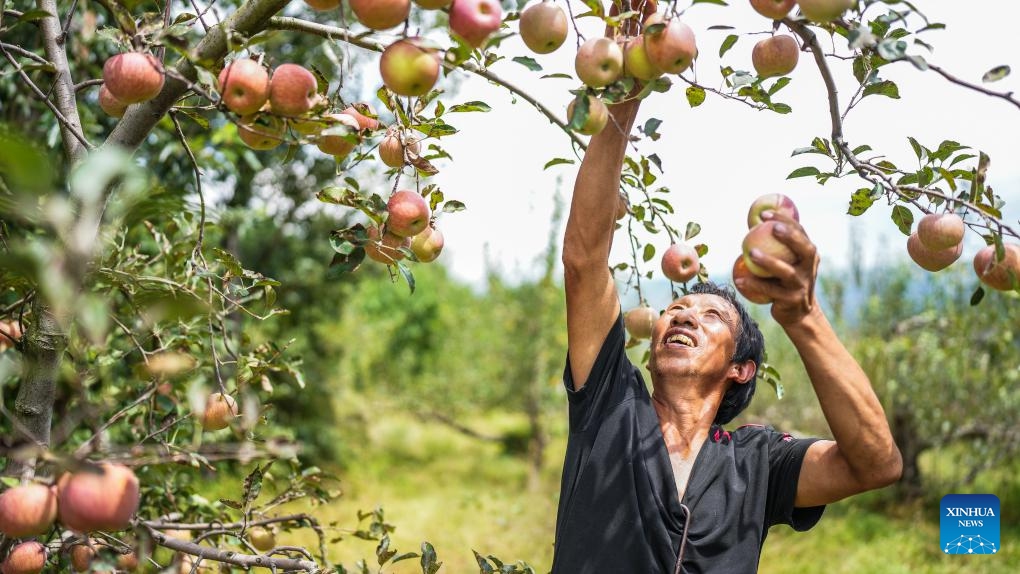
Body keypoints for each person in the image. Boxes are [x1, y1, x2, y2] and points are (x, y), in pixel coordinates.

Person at [553, 94, 903, 573]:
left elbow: (877, 464)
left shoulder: (757, 465)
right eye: (676, 308)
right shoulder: (612, 406)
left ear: (741, 368)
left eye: (711, 316)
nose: (683, 316)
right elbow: (584, 261)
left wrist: (803, 315)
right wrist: (624, 97)